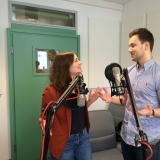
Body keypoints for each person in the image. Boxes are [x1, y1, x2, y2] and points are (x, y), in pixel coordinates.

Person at [99, 28, 160, 160]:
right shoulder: (128, 72)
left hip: (148, 142)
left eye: (133, 45)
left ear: (146, 45)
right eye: (129, 46)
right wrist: (111, 99)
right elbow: (126, 100)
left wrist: (152, 112)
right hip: (127, 138)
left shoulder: (158, 74)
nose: (129, 49)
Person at [39, 51, 102, 160]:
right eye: (76, 60)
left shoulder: (77, 87)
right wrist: (44, 122)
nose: (80, 62)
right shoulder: (51, 91)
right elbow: (44, 116)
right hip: (64, 141)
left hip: (83, 137)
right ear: (65, 66)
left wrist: (90, 101)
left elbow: (76, 112)